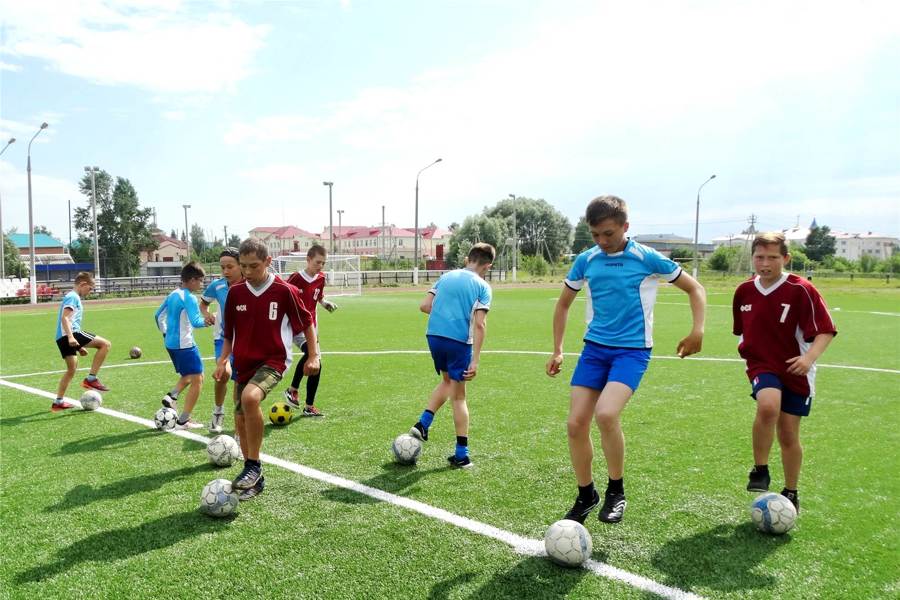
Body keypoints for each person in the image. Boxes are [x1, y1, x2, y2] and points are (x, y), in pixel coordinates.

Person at [546, 195, 706, 524]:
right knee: (575, 424)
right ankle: (585, 493)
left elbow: (695, 289)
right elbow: (563, 304)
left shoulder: (647, 258)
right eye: (595, 235)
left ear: (625, 227)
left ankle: (616, 491)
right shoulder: (587, 260)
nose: (602, 241)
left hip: (632, 352)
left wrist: (697, 331)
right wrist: (558, 349)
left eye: (608, 233)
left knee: (606, 414)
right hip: (594, 350)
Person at [733, 232, 836, 512]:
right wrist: (750, 355)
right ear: (752, 258)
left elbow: (826, 330)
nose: (765, 263)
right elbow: (742, 332)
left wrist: (808, 360)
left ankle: (791, 491)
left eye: (773, 257)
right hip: (762, 364)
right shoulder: (743, 291)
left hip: (797, 369)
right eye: (759, 257)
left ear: (786, 258)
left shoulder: (800, 289)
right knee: (768, 406)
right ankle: (760, 470)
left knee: (789, 434)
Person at [215, 238, 319, 501]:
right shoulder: (236, 293)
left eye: (254, 266)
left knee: (250, 398)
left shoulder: (285, 291)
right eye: (244, 266)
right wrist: (223, 360)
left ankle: (253, 466)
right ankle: (255, 480)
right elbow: (229, 334)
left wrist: (313, 356)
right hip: (243, 363)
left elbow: (307, 323)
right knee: (239, 418)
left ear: (268, 262)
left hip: (274, 359)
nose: (248, 272)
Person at [409, 243, 495, 469]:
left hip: (434, 336)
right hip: (458, 342)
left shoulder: (446, 277)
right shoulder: (483, 286)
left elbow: (425, 306)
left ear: (468, 259)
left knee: (447, 381)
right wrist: (475, 360)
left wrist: (445, 313)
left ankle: (423, 423)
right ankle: (461, 454)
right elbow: (480, 324)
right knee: (459, 397)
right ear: (487, 266)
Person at [283, 244, 338, 416]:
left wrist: (325, 303)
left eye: (323, 263)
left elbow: (318, 296)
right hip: (297, 326)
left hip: (313, 327)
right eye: (317, 262)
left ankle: (309, 406)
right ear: (308, 260)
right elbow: (283, 296)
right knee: (310, 353)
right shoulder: (295, 278)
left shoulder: (321, 278)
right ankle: (292, 389)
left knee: (317, 365)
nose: (320, 266)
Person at [154, 262, 209, 430]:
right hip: (185, 345)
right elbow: (196, 322)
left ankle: (172, 396)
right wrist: (209, 319)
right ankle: (184, 420)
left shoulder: (173, 294)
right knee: (198, 378)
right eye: (200, 280)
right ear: (192, 280)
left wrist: (165, 333)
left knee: (189, 375)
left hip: (171, 344)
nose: (201, 284)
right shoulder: (189, 297)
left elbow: (157, 316)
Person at [200, 247, 243, 433]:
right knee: (223, 374)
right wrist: (207, 314)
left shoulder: (249, 285)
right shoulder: (217, 286)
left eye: (230, 267)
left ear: (241, 266)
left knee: (239, 381)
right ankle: (218, 412)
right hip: (223, 338)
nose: (225, 271)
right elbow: (203, 303)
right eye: (222, 267)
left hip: (245, 340)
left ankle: (239, 421)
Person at [53, 272, 111, 410]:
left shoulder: (71, 296)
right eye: (90, 289)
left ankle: (58, 402)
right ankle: (91, 379)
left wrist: (78, 346)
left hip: (62, 337)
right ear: (83, 284)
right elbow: (65, 318)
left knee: (71, 370)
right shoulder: (73, 297)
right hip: (71, 333)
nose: (90, 292)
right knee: (105, 344)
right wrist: (72, 337)